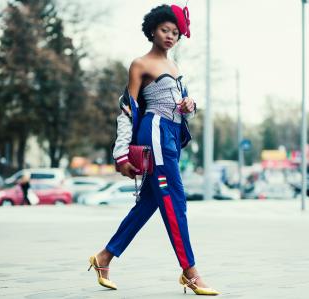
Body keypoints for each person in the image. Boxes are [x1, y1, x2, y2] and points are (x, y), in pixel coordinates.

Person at [88, 4, 219, 296]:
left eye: (175, 32)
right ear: (152, 30)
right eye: (165, 30)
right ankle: (191, 272)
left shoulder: (175, 67)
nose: (171, 35)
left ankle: (104, 258)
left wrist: (191, 105)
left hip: (172, 136)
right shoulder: (140, 64)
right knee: (175, 201)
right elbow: (126, 110)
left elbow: (183, 107)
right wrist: (121, 154)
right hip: (155, 133)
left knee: (149, 203)